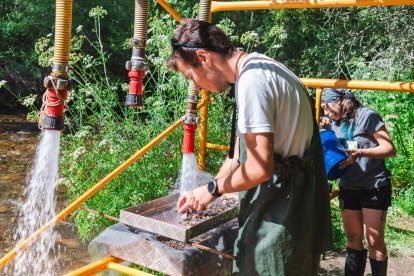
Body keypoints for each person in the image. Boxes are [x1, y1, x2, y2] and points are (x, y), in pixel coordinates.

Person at [168, 18, 332, 275]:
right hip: (294, 207)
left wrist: (212, 189)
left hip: (279, 216)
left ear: (203, 56)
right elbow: (240, 154)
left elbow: (258, 168)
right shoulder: (265, 67)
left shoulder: (252, 82)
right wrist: (205, 192)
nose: (198, 87)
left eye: (192, 76)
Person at [320, 88, 396, 276]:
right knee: (353, 237)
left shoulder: (367, 116)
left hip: (374, 186)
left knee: (374, 242)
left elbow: (389, 148)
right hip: (348, 187)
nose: (325, 112)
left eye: (327, 107)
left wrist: (361, 152)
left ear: (339, 102)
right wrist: (328, 131)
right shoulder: (333, 122)